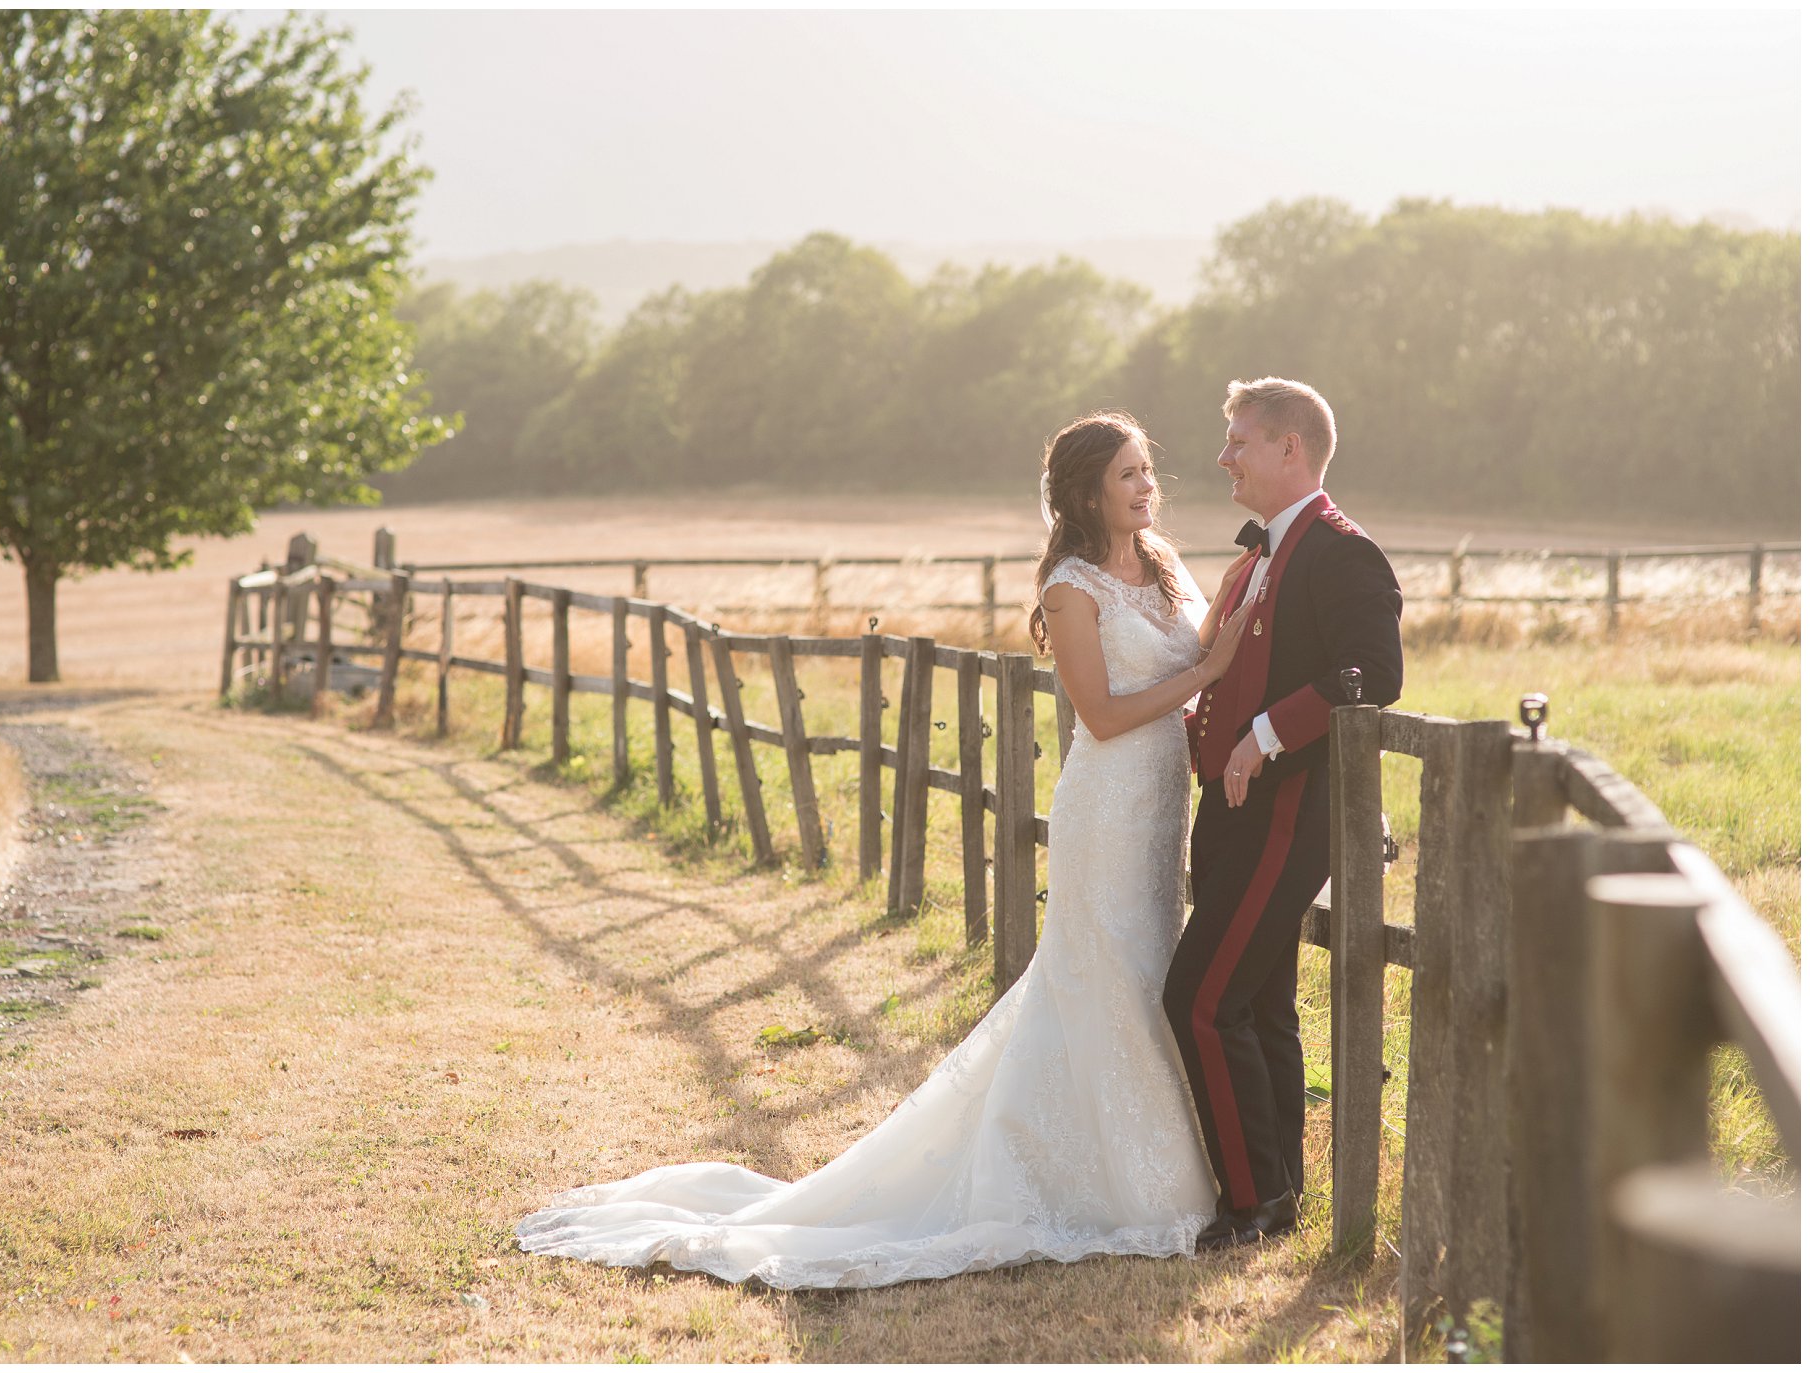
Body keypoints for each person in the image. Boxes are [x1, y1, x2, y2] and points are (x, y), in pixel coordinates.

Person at [516, 412, 1249, 1289]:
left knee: (1152, 972)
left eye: (1146, 472)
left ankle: (1158, 1165)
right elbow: (1101, 712)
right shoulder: (1072, 583)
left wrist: (1245, 600)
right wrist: (1204, 676)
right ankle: (1116, 1182)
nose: (1145, 487)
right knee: (1107, 974)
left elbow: (1205, 647)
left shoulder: (1164, 563)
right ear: (1088, 490)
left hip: (1162, 806)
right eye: (1127, 475)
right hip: (1106, 805)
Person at [1165, 378, 1404, 1251]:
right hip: (1230, 815)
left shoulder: (1343, 553)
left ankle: (1252, 1203)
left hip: (1285, 812)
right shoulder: (1258, 554)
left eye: (1239, 441)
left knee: (1197, 996)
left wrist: (1263, 736)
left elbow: (1372, 673)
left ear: (1289, 449)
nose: (1224, 457)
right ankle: (1283, 1190)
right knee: (1258, 1004)